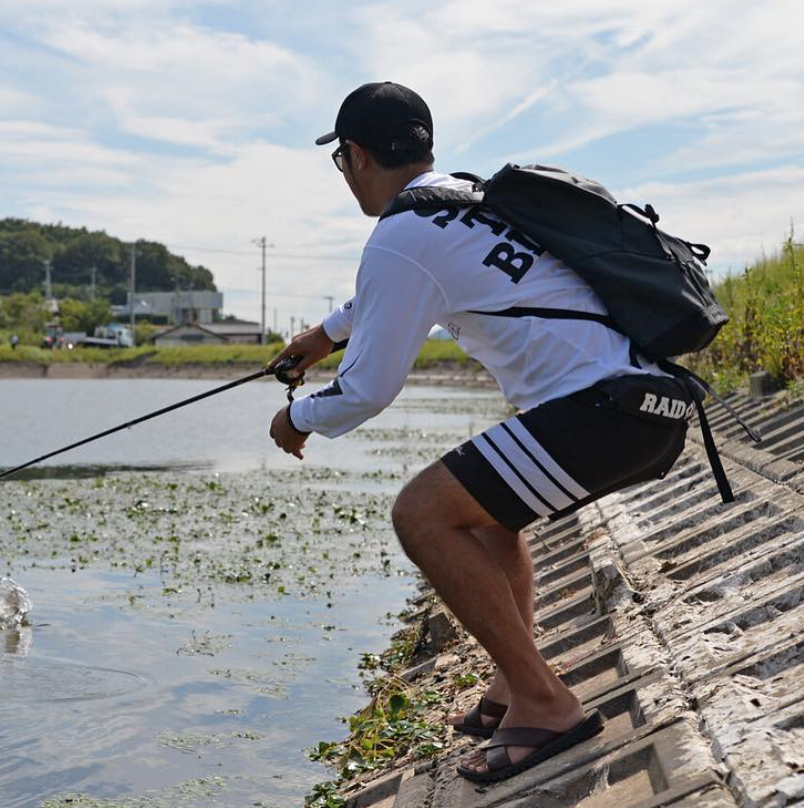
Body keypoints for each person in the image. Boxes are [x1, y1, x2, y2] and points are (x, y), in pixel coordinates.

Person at [268, 82, 689, 782]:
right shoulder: (466, 199)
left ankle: (546, 703)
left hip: (603, 414)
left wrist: (295, 417)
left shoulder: (400, 236)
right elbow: (409, 284)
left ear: (358, 156)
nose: (346, 176)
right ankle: (510, 683)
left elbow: (367, 390)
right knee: (493, 519)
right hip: (650, 401)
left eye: (342, 161)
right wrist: (326, 333)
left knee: (423, 514)